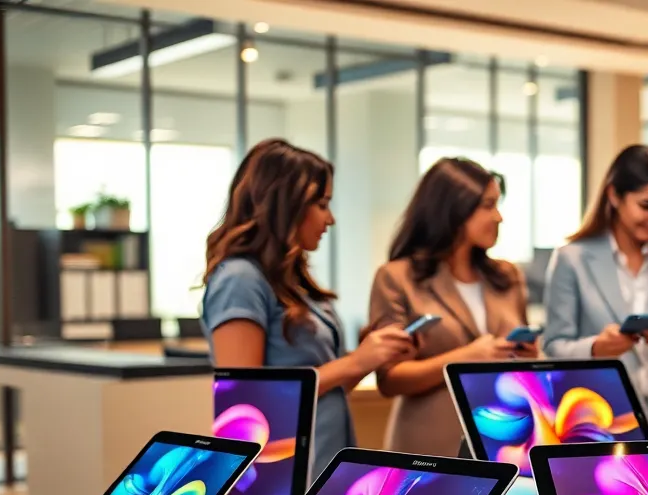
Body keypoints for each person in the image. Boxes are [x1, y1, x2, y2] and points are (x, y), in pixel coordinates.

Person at [202, 139, 415, 476]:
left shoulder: (292, 283)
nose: (329, 219)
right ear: (285, 205)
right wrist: (353, 362)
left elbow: (327, 388)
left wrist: (367, 357)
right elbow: (246, 399)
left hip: (325, 461)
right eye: (321, 203)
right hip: (285, 473)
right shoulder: (240, 279)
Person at [368, 157, 535, 457]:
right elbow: (390, 379)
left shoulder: (507, 277)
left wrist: (528, 357)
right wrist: (465, 358)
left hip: (505, 444)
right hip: (431, 446)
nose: (498, 217)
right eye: (487, 205)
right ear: (452, 209)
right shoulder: (396, 278)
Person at [543, 144, 648, 437]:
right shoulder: (572, 258)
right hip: (601, 420)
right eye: (647, 205)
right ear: (614, 195)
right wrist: (596, 348)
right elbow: (554, 346)